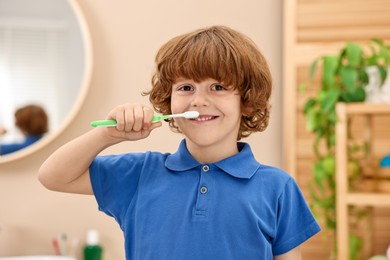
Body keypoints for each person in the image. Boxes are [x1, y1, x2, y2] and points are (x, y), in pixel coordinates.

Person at [39, 25, 320, 259]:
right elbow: (52, 176)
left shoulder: (277, 187)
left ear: (246, 102)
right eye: (186, 87)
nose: (198, 100)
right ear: (169, 100)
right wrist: (109, 134)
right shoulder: (139, 174)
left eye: (218, 87)